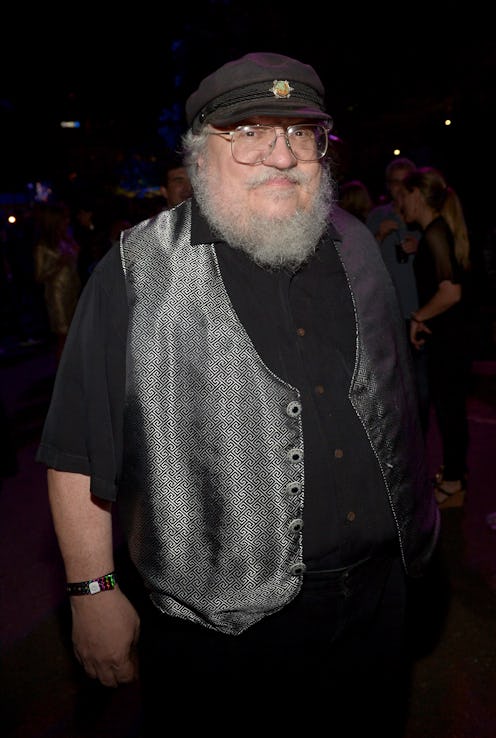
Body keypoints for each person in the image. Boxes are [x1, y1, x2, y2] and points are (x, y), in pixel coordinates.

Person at [37, 52, 439, 737]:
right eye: (249, 132)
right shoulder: (137, 270)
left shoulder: (357, 245)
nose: (280, 155)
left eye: (300, 133)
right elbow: (76, 450)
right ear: (200, 154)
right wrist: (92, 591)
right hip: (224, 632)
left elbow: (396, 399)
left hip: (378, 601)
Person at [399, 166, 471, 510]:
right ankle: (455, 476)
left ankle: (455, 483)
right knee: (450, 410)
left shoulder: (436, 233)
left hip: (450, 342)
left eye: (405, 195)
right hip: (451, 339)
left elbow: (451, 292)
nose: (401, 203)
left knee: (450, 412)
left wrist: (418, 316)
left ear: (417, 195)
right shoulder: (435, 232)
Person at [367, 157, 430, 432]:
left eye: (406, 182)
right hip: (387, 313)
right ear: (388, 185)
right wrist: (379, 237)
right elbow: (361, 264)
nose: (400, 188)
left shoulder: (419, 216)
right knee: (392, 385)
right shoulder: (378, 216)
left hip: (419, 311)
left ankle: (420, 443)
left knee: (422, 385)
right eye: (395, 182)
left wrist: (421, 247)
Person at [33, 202, 81, 361]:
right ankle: (63, 371)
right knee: (63, 335)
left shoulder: (66, 239)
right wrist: (58, 264)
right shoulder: (43, 245)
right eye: (64, 218)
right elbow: (39, 276)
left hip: (72, 290)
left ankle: (72, 368)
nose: (67, 221)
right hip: (57, 294)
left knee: (74, 333)